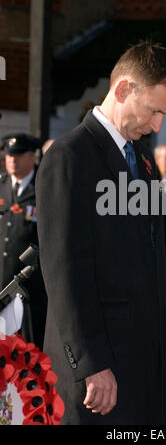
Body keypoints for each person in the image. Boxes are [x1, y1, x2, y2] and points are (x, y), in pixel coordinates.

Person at [35, 41, 166, 426]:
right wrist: (91, 363)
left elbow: (147, 246)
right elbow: (63, 271)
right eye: (155, 111)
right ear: (123, 89)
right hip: (99, 374)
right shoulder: (69, 156)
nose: (159, 125)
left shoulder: (144, 160)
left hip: (147, 365)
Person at [0, 134, 47, 349]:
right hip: (2, 283)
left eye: (18, 155)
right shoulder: (1, 185)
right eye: (9, 155)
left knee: (29, 349)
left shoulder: (43, 186)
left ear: (32, 157)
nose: (12, 160)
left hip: (30, 288)